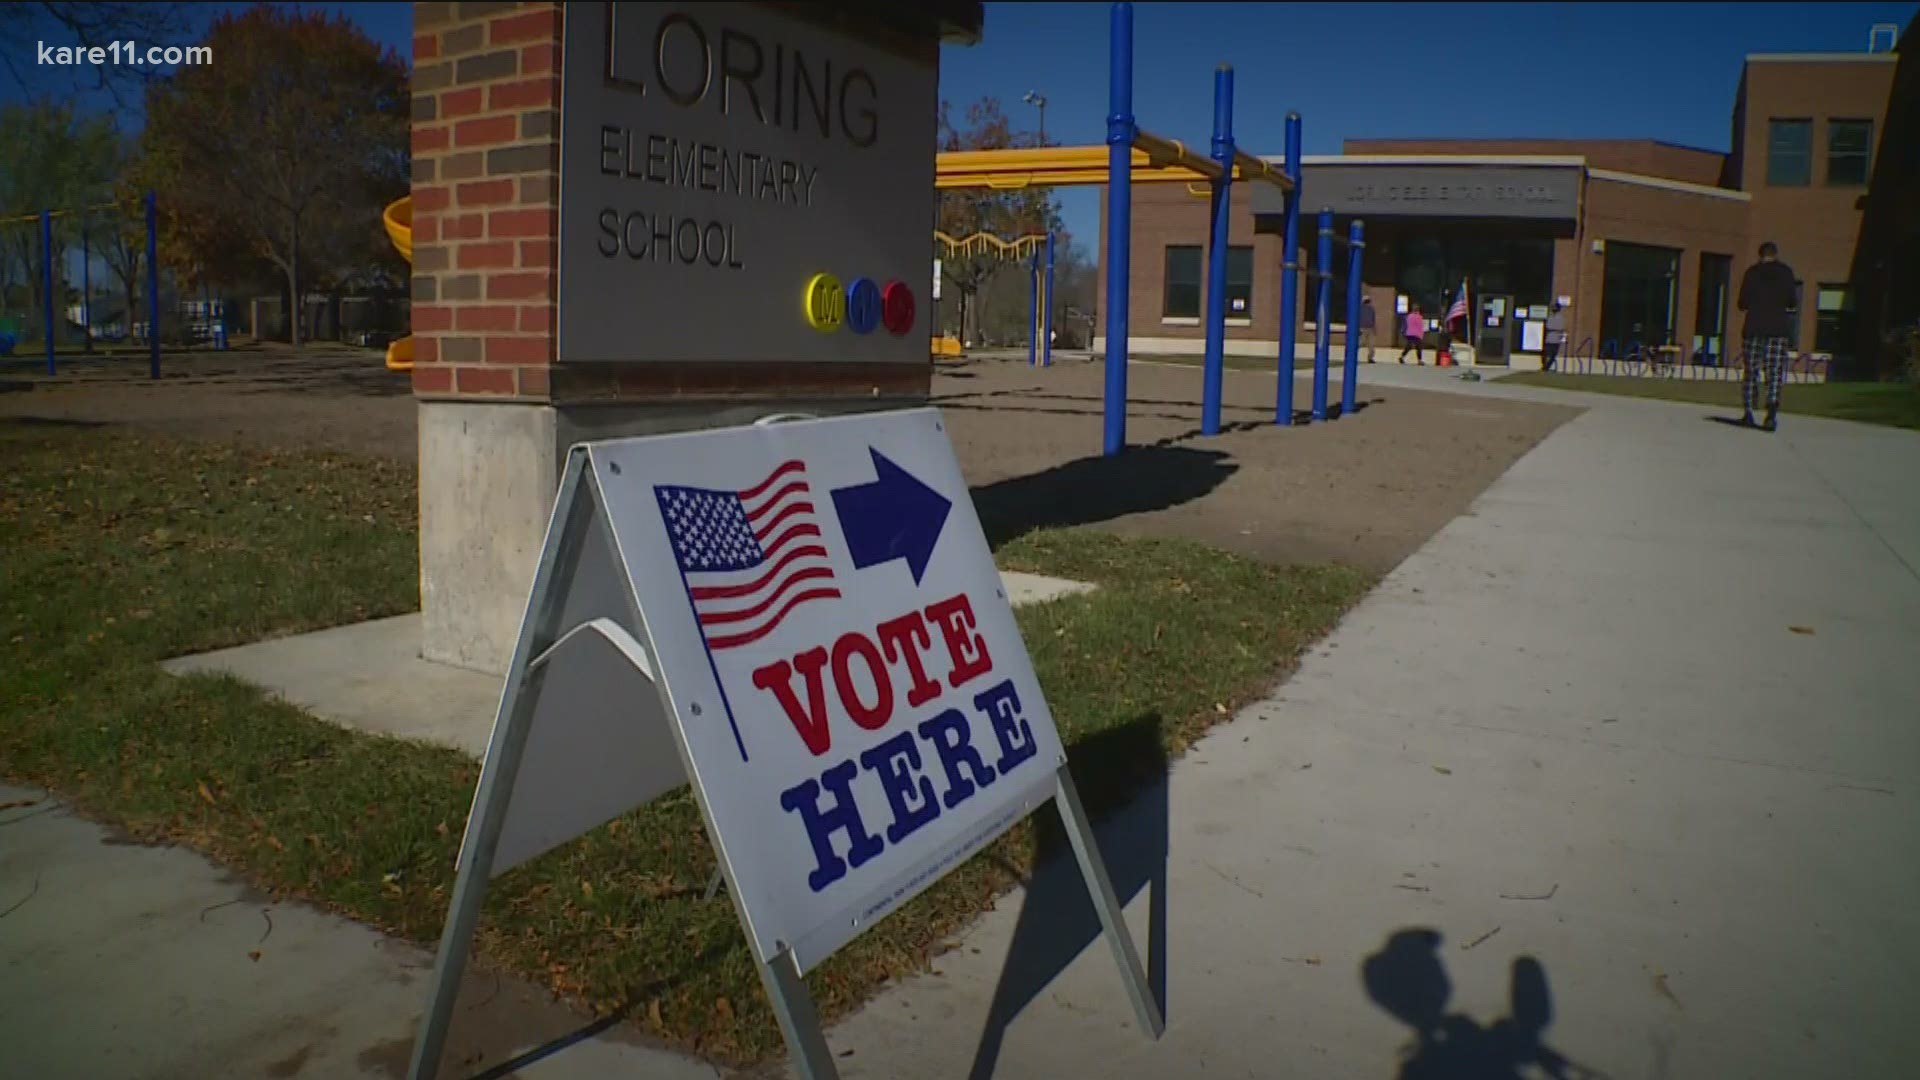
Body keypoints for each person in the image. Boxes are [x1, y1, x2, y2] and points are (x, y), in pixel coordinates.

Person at [1736, 241, 1797, 431]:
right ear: (1776, 254)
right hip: (1778, 329)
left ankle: (1748, 411)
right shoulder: (1786, 273)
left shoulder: (1752, 273)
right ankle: (1771, 413)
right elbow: (1792, 302)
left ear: (1760, 255)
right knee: (1774, 372)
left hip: (1754, 328)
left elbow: (1742, 303)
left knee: (1751, 370)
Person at [1542, 302, 1568, 372]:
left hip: (1552, 338)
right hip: (1553, 338)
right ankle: (1546, 367)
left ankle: (1546, 367)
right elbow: (1561, 328)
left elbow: (1549, 326)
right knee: (1551, 354)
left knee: (1551, 354)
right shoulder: (1557, 317)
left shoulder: (1554, 317)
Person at [1358, 296, 1378, 363]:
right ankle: (1352, 354)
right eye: (1367, 301)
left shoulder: (1371, 309)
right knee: (1361, 343)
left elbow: (1373, 319)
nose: (1368, 302)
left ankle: (1370, 358)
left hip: (1370, 328)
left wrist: (1374, 328)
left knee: (1371, 345)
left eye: (1368, 301)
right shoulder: (1359, 308)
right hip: (1362, 328)